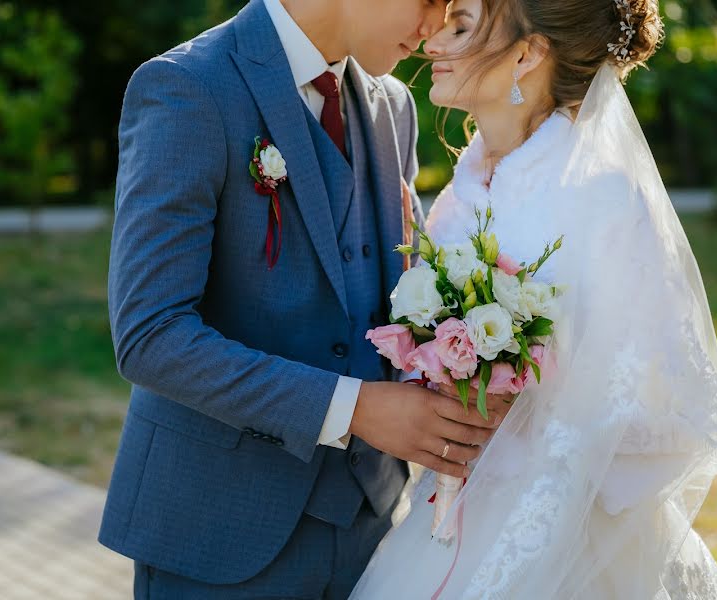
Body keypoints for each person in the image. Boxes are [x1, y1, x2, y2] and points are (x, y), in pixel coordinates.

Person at [99, 0, 510, 597]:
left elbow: (399, 293)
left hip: (374, 530)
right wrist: (355, 409)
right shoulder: (188, 88)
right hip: (220, 536)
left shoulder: (393, 106)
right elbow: (150, 337)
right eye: (430, 1)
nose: (434, 30)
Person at [350, 0, 717, 597]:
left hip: (573, 543)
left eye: (461, 26)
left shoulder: (603, 199)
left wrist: (526, 418)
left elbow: (666, 415)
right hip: (447, 515)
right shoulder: (462, 196)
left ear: (528, 53)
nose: (432, 40)